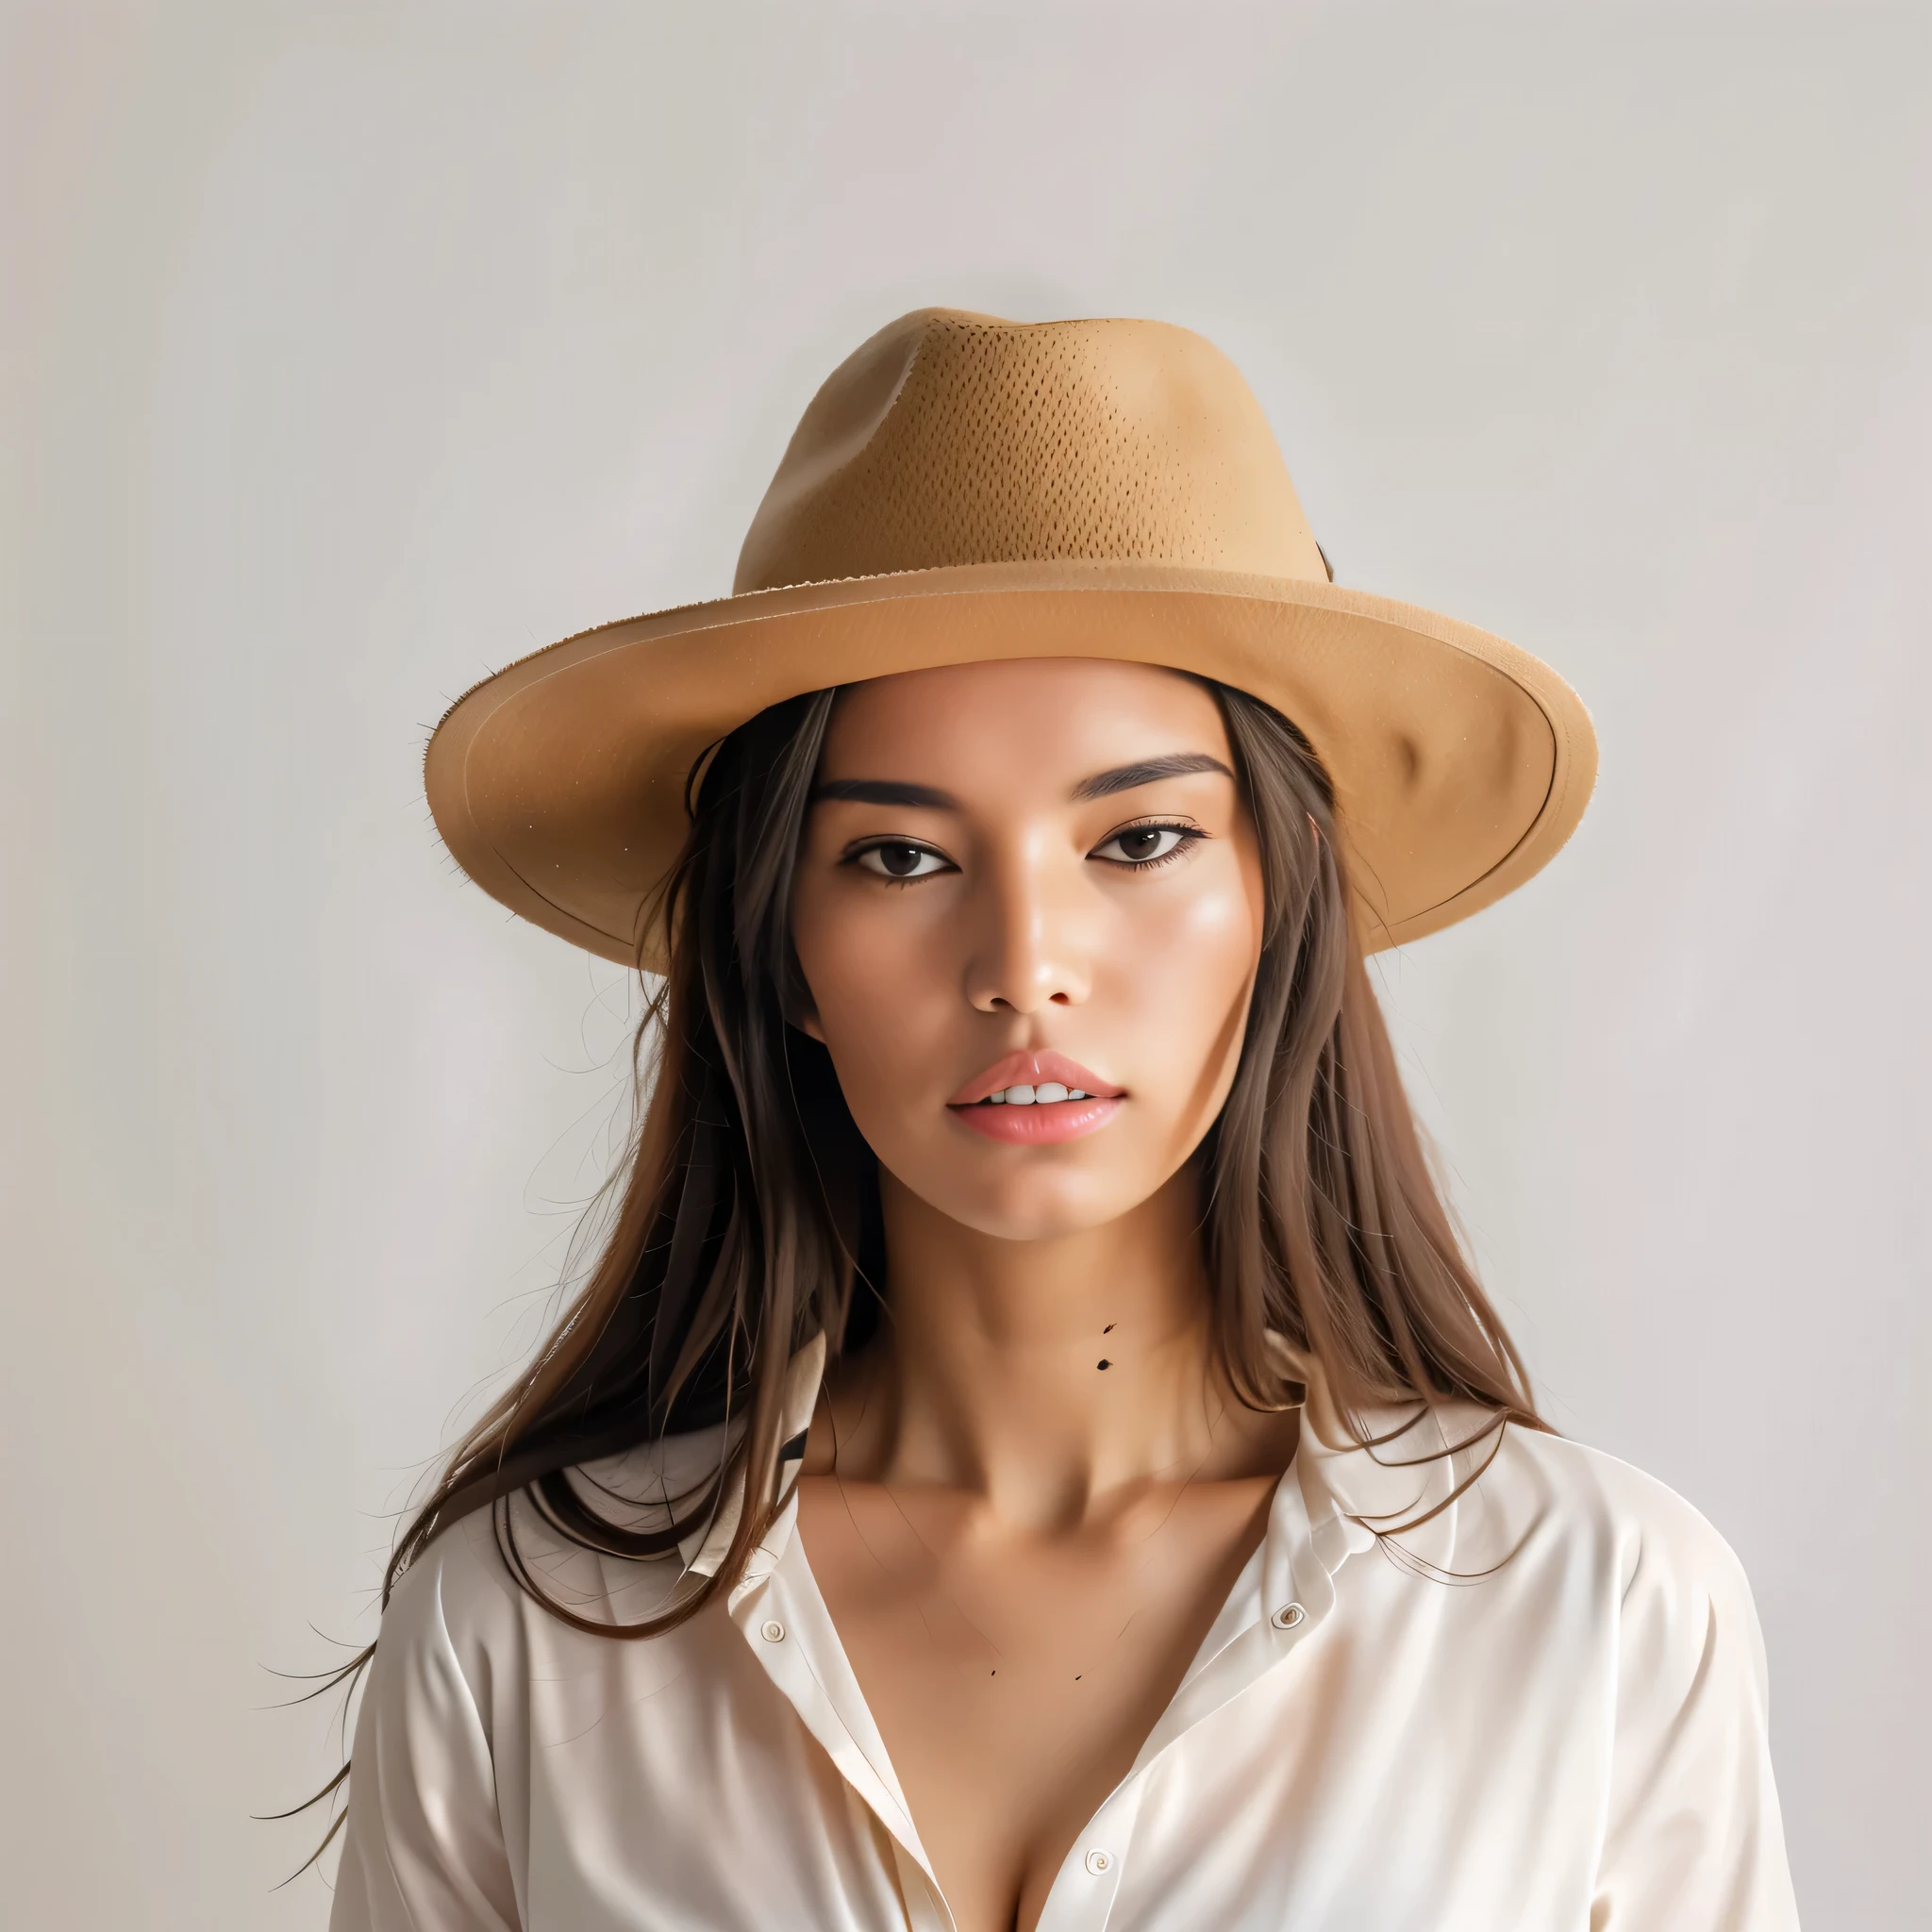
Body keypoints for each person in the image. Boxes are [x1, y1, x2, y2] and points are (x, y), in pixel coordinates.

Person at [324, 310, 1799, 1930]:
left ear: (1277, 908)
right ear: (784, 952)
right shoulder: (524, 1628)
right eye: (897, 857)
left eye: (1142, 840)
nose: (1026, 970)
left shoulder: (1598, 1610)